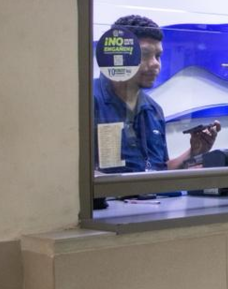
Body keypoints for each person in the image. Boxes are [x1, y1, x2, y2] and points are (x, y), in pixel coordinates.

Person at [93, 15, 220, 173]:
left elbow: (159, 170)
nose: (155, 64)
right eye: (144, 55)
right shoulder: (87, 101)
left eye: (158, 56)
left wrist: (193, 152)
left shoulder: (153, 110)